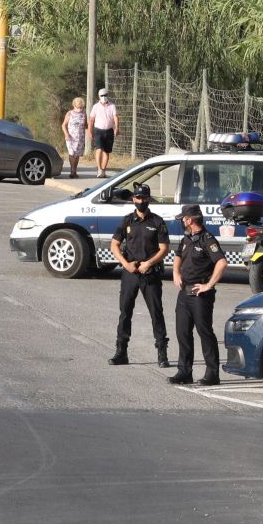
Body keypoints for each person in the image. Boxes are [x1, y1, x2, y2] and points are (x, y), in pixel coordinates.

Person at [108, 182, 170, 368]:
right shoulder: (127, 220)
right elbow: (114, 245)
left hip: (150, 273)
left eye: (143, 198)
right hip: (131, 273)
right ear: (133, 199)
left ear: (149, 199)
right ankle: (121, 352)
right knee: (125, 312)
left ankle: (162, 353)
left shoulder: (157, 222)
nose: (140, 201)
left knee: (156, 313)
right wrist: (126, 264)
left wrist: (148, 263)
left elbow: (164, 249)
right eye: (137, 197)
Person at [168, 205, 227, 385]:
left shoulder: (207, 239)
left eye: (183, 219)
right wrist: (176, 273)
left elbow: (222, 262)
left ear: (189, 220)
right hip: (184, 294)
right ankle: (184, 372)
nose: (182, 222)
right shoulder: (186, 239)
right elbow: (178, 256)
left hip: (200, 296)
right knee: (182, 332)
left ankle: (212, 373)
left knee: (205, 333)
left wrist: (209, 285)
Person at [91, 86, 118, 177]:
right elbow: (91, 120)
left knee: (106, 151)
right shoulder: (95, 107)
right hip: (98, 130)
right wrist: (90, 131)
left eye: (105, 95)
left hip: (109, 130)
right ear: (99, 96)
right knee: (99, 149)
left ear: (108, 95)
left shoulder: (112, 106)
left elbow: (115, 117)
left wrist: (117, 128)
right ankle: (99, 169)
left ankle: (103, 170)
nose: (104, 97)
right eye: (102, 95)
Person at [61, 96, 88, 178]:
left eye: (81, 106)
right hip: (71, 137)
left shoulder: (84, 113)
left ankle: (74, 171)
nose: (79, 107)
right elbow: (63, 125)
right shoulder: (70, 113)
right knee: (72, 153)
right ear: (74, 105)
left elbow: (86, 125)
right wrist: (66, 134)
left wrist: (90, 126)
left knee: (77, 155)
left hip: (80, 137)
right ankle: (72, 171)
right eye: (78, 105)